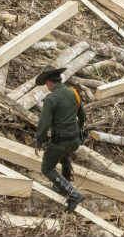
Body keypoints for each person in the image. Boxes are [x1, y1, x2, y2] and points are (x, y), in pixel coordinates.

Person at [33, 66, 86, 211]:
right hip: (74, 139)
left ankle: (73, 194)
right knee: (64, 156)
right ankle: (65, 184)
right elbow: (82, 115)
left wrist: (39, 140)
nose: (47, 87)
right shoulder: (73, 92)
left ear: (50, 83)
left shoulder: (51, 99)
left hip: (61, 140)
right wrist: (78, 131)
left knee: (47, 168)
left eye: (46, 84)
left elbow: (44, 124)